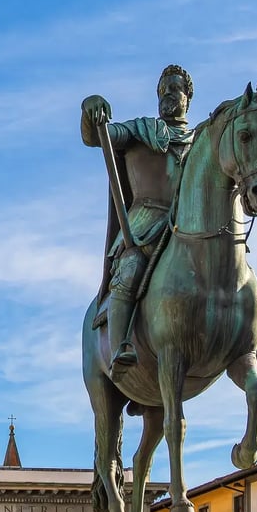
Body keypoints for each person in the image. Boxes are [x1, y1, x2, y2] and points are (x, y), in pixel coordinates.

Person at [81, 64, 195, 380]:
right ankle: (120, 347)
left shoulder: (200, 142)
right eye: (162, 90)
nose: (167, 95)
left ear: (187, 97)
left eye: (174, 89)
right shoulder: (141, 130)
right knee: (130, 268)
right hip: (147, 223)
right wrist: (90, 110)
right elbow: (99, 137)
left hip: (189, 225)